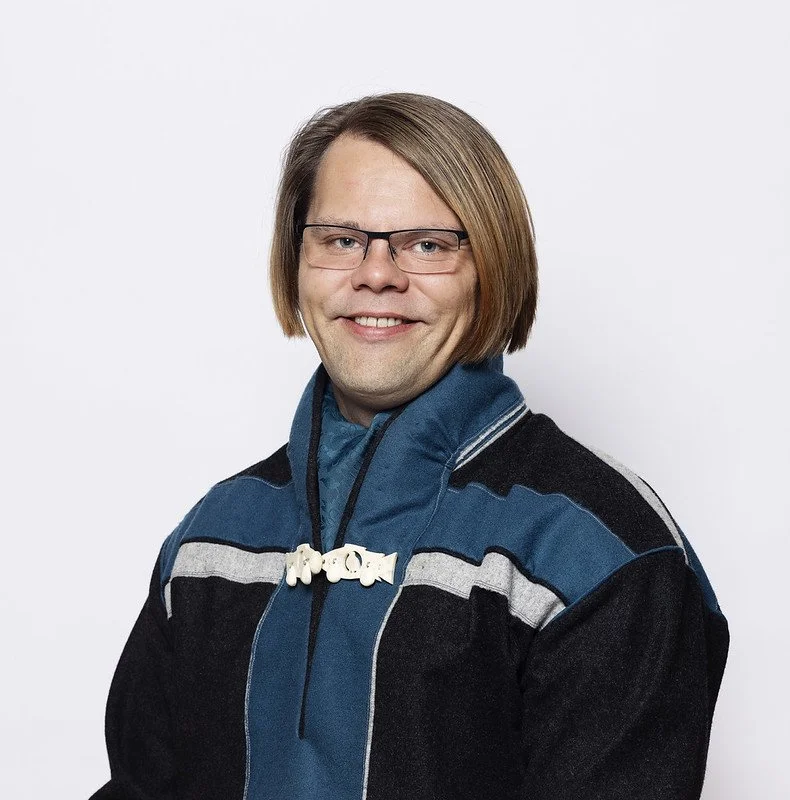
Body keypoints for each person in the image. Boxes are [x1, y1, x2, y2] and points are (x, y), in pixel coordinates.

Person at [91, 93, 729, 800]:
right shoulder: (212, 537)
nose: (377, 275)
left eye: (427, 244)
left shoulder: (597, 551)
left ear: (493, 265)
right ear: (295, 262)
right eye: (341, 240)